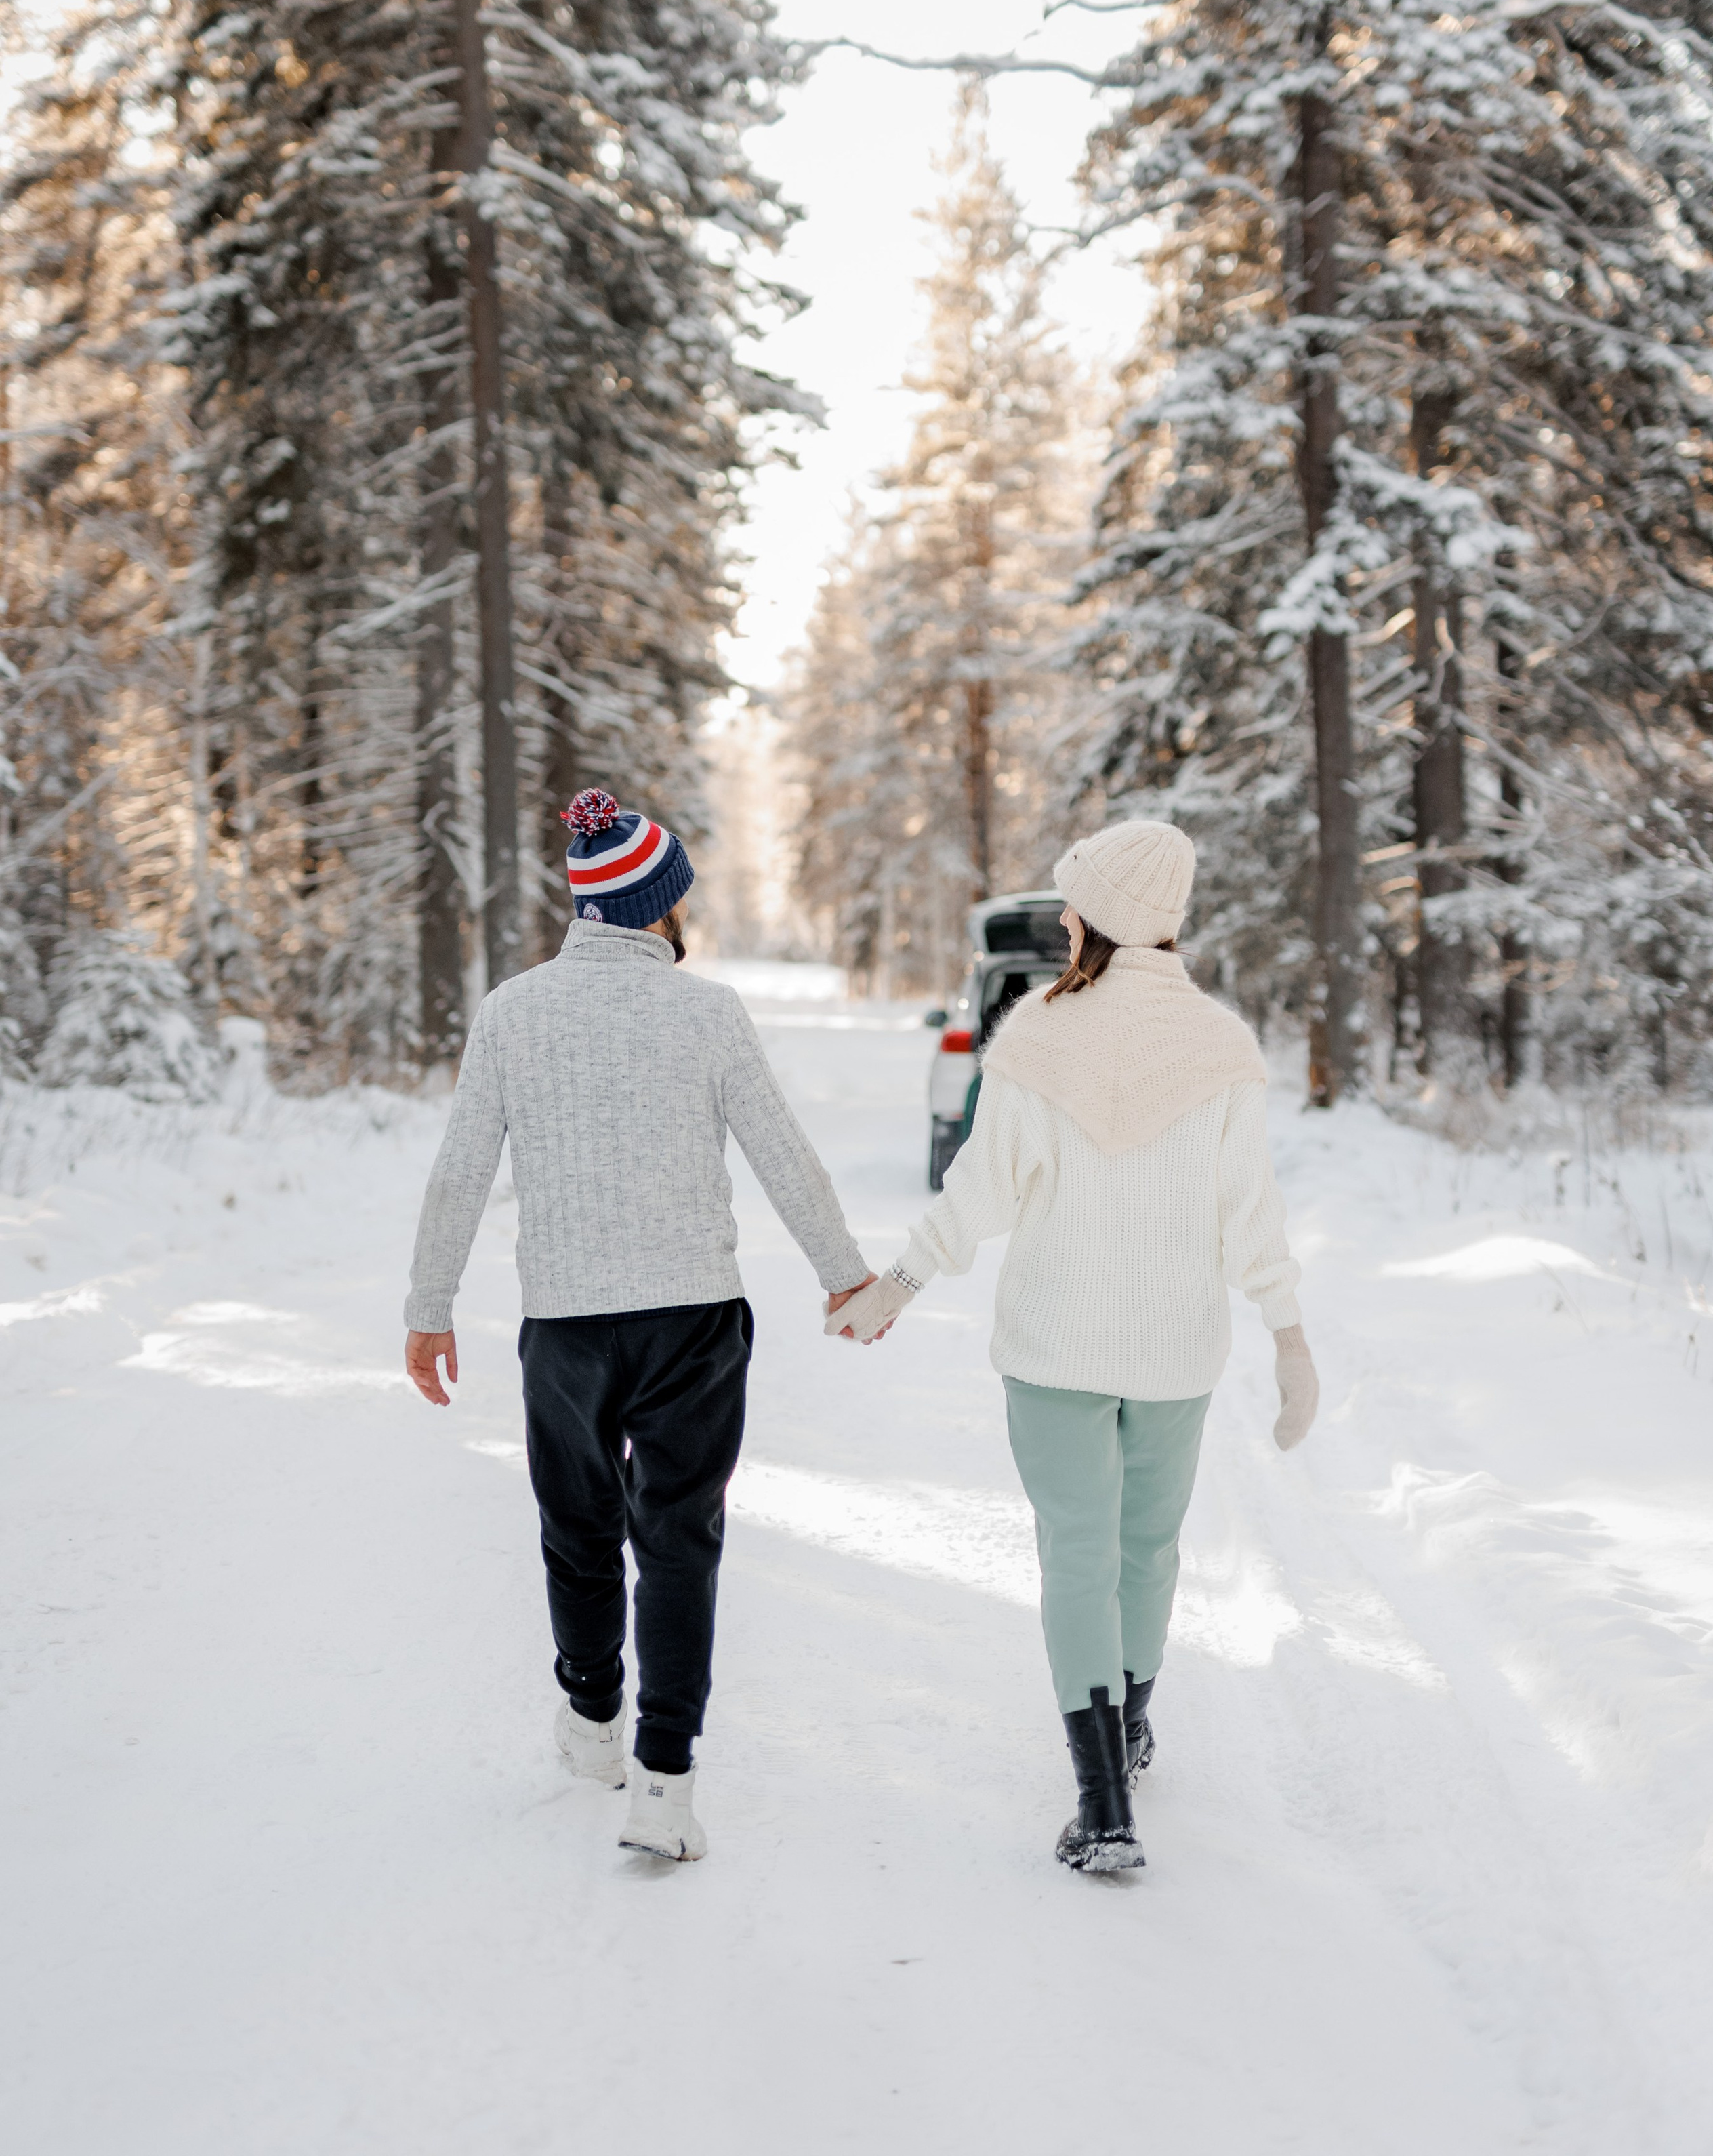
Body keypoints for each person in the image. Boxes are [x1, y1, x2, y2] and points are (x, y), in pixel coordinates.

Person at [827, 818, 1317, 1874]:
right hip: (1176, 1352)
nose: (1061, 918)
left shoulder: (1038, 1038)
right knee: (1147, 1551)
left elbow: (977, 1195)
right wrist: (1288, 1335)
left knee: (1080, 1556)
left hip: (1055, 1351)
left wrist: (896, 1287)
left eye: (1074, 902)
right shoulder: (1223, 1049)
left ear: (1106, 920)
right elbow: (1252, 1212)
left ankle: (1102, 1801)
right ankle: (1127, 1731)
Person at [404, 787, 871, 1863]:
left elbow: (460, 1170)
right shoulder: (708, 1013)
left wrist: (430, 1309)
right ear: (657, 910)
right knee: (677, 1544)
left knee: (578, 1530)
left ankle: (592, 1721)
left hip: (566, 1328)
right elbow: (782, 1155)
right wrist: (842, 1276)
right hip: (692, 1325)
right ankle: (664, 1780)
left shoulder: (513, 1012)